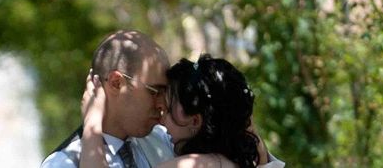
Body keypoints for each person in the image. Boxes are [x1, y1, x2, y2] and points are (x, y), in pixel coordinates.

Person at [79, 54, 284, 168]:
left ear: (195, 121)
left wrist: (92, 123)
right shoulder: (254, 154)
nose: (161, 119)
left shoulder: (195, 166)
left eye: (168, 110)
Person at [42, 30, 174, 167]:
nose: (162, 104)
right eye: (155, 92)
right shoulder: (64, 162)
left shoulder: (163, 139)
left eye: (166, 92)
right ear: (116, 83)